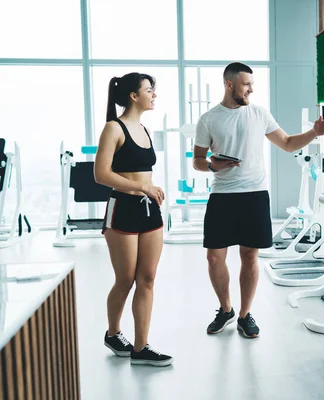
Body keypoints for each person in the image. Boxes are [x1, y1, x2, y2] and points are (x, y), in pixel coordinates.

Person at [193, 62, 324, 338]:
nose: (251, 89)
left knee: (250, 255)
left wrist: (314, 133)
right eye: (246, 84)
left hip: (255, 195)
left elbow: (287, 143)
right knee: (214, 258)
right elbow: (198, 160)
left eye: (251, 84)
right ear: (229, 85)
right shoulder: (208, 119)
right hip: (222, 195)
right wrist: (213, 165)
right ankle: (226, 309)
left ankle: (245, 315)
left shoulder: (259, 114)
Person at [94, 73, 173, 366]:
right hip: (123, 209)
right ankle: (114, 334)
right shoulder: (113, 128)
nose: (154, 95)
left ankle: (141, 348)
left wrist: (149, 189)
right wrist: (142, 186)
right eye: (149, 90)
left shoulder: (145, 129)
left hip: (150, 209)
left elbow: (143, 172)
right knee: (126, 279)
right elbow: (101, 175)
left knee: (148, 279)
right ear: (133, 95)